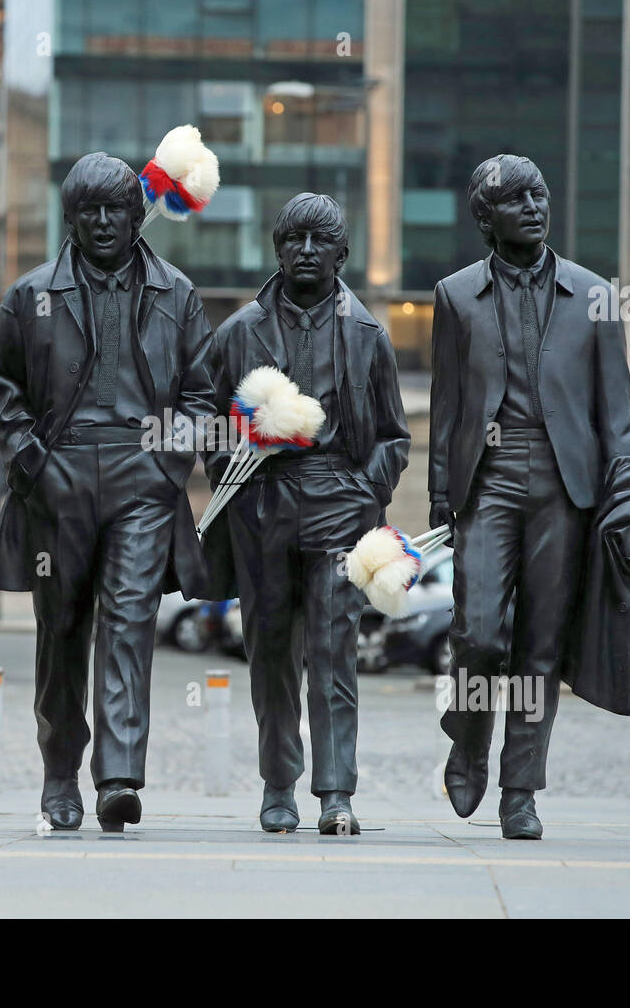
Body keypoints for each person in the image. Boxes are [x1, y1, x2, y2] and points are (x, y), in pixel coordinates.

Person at [0, 153, 216, 831]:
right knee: (61, 632)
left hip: (144, 478)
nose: (104, 221)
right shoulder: (30, 297)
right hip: (59, 475)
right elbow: (4, 390)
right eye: (88, 210)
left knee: (130, 619)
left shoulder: (178, 293)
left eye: (115, 208)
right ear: (71, 217)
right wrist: (33, 463)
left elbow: (202, 394)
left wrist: (169, 464)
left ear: (138, 213)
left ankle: (117, 774)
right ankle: (60, 772)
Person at [427, 154, 630, 839]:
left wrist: (625, 494)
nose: (534, 208)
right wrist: (439, 493)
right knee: (479, 632)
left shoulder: (593, 293)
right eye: (515, 200)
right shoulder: (456, 295)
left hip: (565, 484)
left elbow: (618, 415)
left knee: (540, 645)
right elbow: (449, 404)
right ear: (486, 219)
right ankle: (468, 733)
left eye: (539, 195)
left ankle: (521, 790)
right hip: (486, 478)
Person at [201, 193, 410, 834]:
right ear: (277, 247)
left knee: (333, 651)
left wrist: (360, 490)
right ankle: (277, 786)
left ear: (343, 255)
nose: (307, 251)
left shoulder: (369, 334)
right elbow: (207, 423)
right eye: (294, 239)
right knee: (269, 655)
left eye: (321, 241)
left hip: (338, 506)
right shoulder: (238, 333)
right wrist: (236, 477)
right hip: (263, 503)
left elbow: (394, 437)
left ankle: (336, 793)